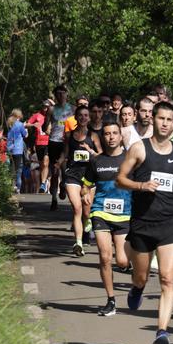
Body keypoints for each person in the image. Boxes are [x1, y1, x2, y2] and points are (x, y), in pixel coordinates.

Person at [116, 101, 173, 344]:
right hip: (142, 222)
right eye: (160, 118)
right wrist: (141, 186)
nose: (164, 123)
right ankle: (137, 287)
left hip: (170, 222)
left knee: (167, 278)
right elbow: (120, 178)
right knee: (141, 275)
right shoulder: (139, 149)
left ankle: (162, 332)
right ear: (152, 119)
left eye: (169, 119)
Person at [81, 120, 132, 316]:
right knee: (104, 257)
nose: (111, 137)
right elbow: (86, 183)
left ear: (121, 136)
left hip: (125, 213)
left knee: (121, 261)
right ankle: (111, 300)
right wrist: (85, 192)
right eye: (107, 134)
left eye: (114, 133)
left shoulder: (130, 159)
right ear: (103, 137)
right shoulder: (96, 161)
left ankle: (130, 267)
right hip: (100, 211)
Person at [63, 105, 102, 256]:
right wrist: (59, 163)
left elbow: (101, 155)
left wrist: (90, 151)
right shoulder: (69, 135)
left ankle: (88, 220)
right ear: (76, 117)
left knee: (86, 210)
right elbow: (65, 154)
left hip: (89, 176)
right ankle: (78, 243)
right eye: (81, 115)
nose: (83, 118)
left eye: (86, 115)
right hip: (72, 175)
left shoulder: (93, 136)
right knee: (77, 208)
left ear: (89, 118)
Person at [46, 85, 74, 210]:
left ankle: (63, 185)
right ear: (55, 96)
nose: (60, 95)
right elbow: (44, 126)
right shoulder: (51, 109)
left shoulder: (73, 109)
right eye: (58, 93)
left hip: (67, 142)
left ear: (67, 94)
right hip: (54, 141)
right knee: (54, 171)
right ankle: (54, 199)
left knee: (65, 170)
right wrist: (47, 126)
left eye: (63, 93)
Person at [27, 101, 51, 193]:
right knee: (42, 165)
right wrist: (33, 125)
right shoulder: (37, 115)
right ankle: (45, 179)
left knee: (45, 163)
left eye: (47, 107)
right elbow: (26, 124)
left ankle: (43, 183)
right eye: (44, 107)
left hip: (49, 143)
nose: (45, 109)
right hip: (38, 143)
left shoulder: (52, 116)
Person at [6, 109, 27, 194]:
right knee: (18, 169)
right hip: (18, 149)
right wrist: (26, 129)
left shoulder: (9, 123)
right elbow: (25, 135)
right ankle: (18, 188)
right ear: (19, 116)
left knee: (11, 168)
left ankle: (12, 186)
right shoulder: (20, 124)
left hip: (10, 148)